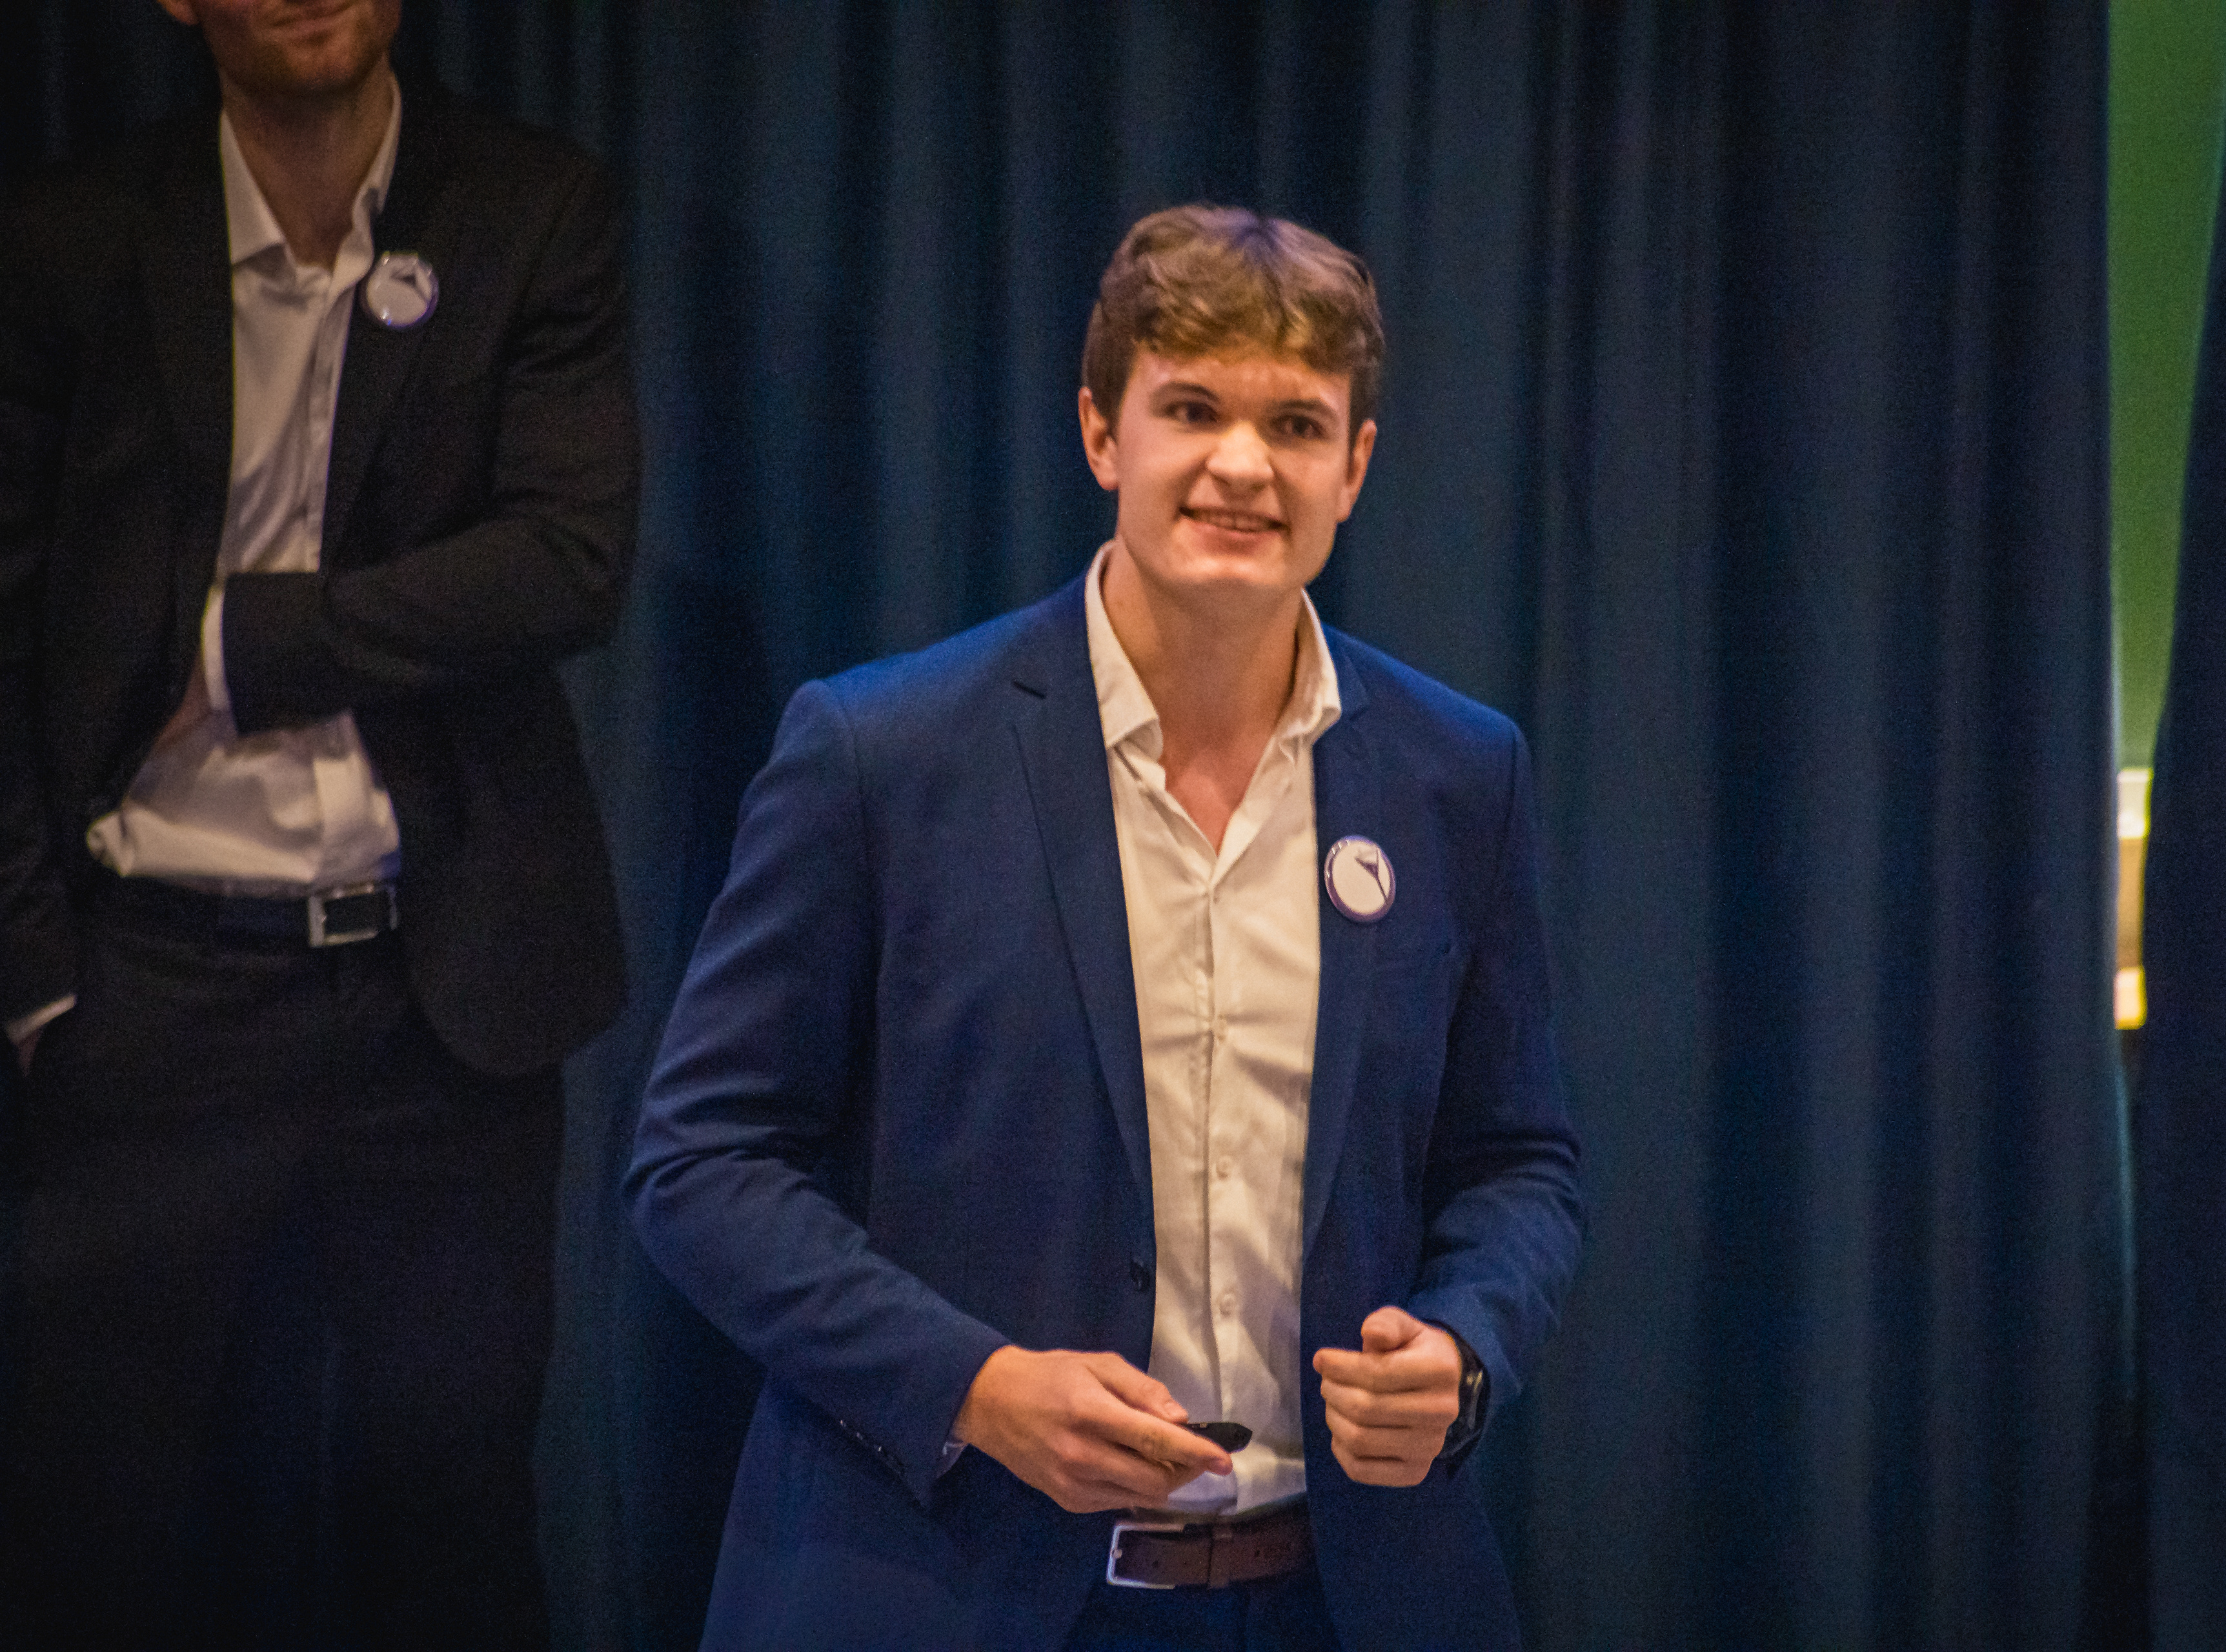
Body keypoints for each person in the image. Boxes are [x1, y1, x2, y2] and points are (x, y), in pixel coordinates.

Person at [629, 205, 1582, 1650]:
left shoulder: (1459, 774)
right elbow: (700, 1161)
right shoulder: (883, 753)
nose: (1243, 465)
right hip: (951, 1591)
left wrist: (1466, 1345)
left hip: (1341, 1600)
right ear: (1100, 434)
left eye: (1296, 425)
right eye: (1191, 409)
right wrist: (975, 1386)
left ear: (1355, 466)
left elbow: (1520, 1162)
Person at [0, 0, 636, 1642]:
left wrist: (242, 644)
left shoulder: (529, 209)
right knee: (89, 1529)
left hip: (445, 990)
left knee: (455, 1531)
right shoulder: (67, 240)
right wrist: (37, 980)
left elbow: (567, 559)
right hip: (151, 986)